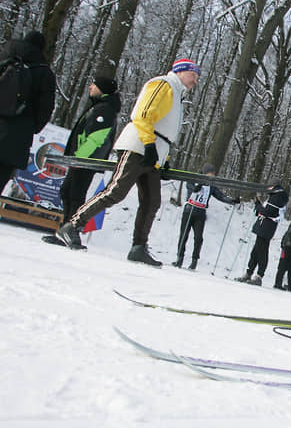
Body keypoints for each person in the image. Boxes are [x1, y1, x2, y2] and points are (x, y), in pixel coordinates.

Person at [56, 59, 201, 264]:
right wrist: (149, 144)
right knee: (116, 190)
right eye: (193, 75)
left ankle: (138, 247)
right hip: (139, 145)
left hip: (154, 151)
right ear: (180, 71)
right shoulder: (163, 84)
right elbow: (143, 115)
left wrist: (164, 156)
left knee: (152, 201)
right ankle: (72, 225)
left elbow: (166, 128)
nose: (195, 80)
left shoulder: (177, 94)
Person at [57, 76, 120, 224]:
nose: (90, 87)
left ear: (102, 89)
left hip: (86, 160)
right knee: (67, 191)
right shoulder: (99, 106)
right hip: (81, 159)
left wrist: (79, 158)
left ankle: (71, 229)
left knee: (75, 195)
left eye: (94, 85)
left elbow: (95, 139)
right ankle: (65, 227)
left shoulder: (105, 109)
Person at [0, 31, 56, 194]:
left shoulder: (3, 57)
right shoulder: (44, 73)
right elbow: (45, 109)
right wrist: (30, 127)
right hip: (16, 137)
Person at [172, 164, 239, 269]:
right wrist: (195, 188)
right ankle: (179, 259)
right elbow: (190, 186)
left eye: (213, 174)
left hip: (200, 213)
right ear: (204, 172)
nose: (211, 175)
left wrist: (231, 201)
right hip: (189, 210)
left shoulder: (211, 185)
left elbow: (220, 196)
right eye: (210, 173)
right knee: (184, 235)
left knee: (198, 238)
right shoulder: (194, 178)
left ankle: (194, 261)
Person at [236, 182, 289, 285]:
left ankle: (259, 276)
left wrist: (257, 205)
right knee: (256, 251)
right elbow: (265, 211)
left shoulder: (277, 198)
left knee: (262, 252)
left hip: (266, 227)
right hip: (264, 226)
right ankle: (249, 272)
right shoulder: (275, 197)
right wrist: (259, 206)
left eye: (269, 187)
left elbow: (268, 212)